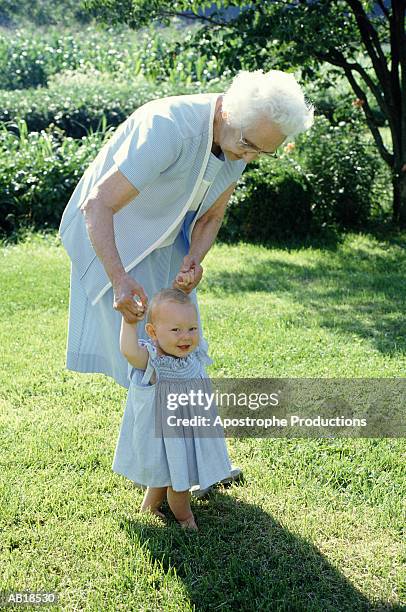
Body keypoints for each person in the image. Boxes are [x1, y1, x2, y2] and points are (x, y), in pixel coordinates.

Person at [58, 68, 314, 495]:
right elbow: (97, 204)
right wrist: (119, 279)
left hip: (167, 240)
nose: (247, 158)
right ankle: (168, 471)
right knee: (153, 364)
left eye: (260, 153)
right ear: (229, 110)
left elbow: (211, 215)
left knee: (186, 351)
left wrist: (194, 258)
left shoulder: (239, 139)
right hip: (115, 237)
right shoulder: (169, 128)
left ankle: (204, 465)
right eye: (248, 144)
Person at [113, 287, 233, 530]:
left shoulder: (194, 354)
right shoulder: (154, 359)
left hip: (190, 431)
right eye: (176, 330)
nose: (185, 336)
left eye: (191, 328)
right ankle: (184, 517)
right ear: (153, 332)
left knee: (164, 473)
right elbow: (128, 351)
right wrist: (128, 322)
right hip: (168, 436)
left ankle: (149, 507)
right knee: (180, 481)